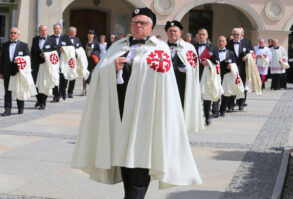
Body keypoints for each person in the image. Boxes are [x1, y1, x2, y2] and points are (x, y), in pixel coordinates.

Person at [71, 7, 202, 199]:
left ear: (151, 26)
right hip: (121, 111)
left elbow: (165, 84)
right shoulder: (117, 46)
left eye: (143, 22)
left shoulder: (159, 48)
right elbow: (98, 72)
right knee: (125, 158)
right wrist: (112, 68)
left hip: (147, 115)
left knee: (141, 159)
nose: (138, 25)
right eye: (135, 22)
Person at [165, 20, 204, 131]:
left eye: (175, 31)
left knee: (182, 105)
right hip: (166, 82)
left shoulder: (188, 47)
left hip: (183, 82)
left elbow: (194, 66)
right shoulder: (161, 47)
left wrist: (186, 68)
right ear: (167, 33)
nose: (173, 33)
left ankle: (180, 128)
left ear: (180, 33)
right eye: (170, 31)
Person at [0, 27, 30, 116]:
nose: (13, 34)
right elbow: (1, 59)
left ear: (18, 35)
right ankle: (7, 110)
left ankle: (20, 107)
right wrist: (1, 72)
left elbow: (28, 58)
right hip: (7, 72)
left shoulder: (24, 45)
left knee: (19, 90)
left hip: (18, 72)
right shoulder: (4, 45)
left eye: (15, 33)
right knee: (7, 91)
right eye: (11, 33)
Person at [194, 28, 219, 125]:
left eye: (203, 34)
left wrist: (208, 62)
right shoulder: (192, 46)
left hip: (207, 74)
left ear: (207, 36)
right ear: (197, 36)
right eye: (200, 34)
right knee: (195, 96)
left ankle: (207, 116)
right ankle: (196, 117)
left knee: (206, 96)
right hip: (195, 74)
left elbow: (216, 59)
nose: (201, 36)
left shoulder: (213, 47)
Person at [31, 25, 57, 110]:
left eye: (45, 30)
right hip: (36, 65)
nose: (44, 32)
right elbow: (32, 52)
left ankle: (43, 103)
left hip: (46, 65)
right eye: (42, 30)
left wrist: (46, 55)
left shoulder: (52, 40)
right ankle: (38, 99)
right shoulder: (35, 39)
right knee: (35, 84)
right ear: (39, 31)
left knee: (44, 84)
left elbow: (55, 52)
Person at [212, 35, 236, 117]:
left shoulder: (231, 53)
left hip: (227, 76)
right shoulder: (213, 52)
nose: (221, 42)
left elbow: (234, 64)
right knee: (216, 92)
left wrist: (231, 65)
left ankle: (222, 110)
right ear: (217, 42)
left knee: (225, 93)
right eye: (219, 41)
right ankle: (215, 111)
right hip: (217, 75)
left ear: (226, 42)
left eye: (223, 41)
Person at [227, 27, 251, 111]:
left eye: (238, 34)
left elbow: (250, 52)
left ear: (240, 35)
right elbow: (227, 54)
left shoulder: (245, 42)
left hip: (242, 68)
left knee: (242, 86)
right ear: (232, 35)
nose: (236, 36)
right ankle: (231, 105)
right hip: (232, 69)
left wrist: (246, 56)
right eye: (234, 34)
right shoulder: (229, 43)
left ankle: (241, 104)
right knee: (232, 86)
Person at [51, 23, 73, 103]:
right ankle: (56, 95)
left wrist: (65, 49)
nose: (56, 30)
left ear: (61, 29)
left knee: (63, 78)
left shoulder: (66, 37)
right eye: (54, 28)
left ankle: (62, 91)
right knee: (54, 78)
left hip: (63, 62)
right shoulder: (50, 38)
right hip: (54, 62)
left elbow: (71, 47)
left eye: (57, 28)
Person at [81, 29, 100, 96]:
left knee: (94, 76)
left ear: (93, 35)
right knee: (85, 75)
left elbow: (98, 51)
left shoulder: (96, 43)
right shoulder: (84, 42)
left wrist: (92, 53)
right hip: (86, 61)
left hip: (93, 61)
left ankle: (95, 90)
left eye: (91, 34)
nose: (90, 36)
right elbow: (81, 51)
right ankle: (84, 89)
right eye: (89, 34)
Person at [67, 26, 82, 98]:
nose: (76, 33)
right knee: (65, 77)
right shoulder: (65, 39)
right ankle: (62, 92)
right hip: (66, 61)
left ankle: (70, 92)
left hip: (74, 61)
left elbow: (80, 48)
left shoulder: (77, 39)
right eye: (75, 32)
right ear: (71, 32)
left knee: (73, 76)